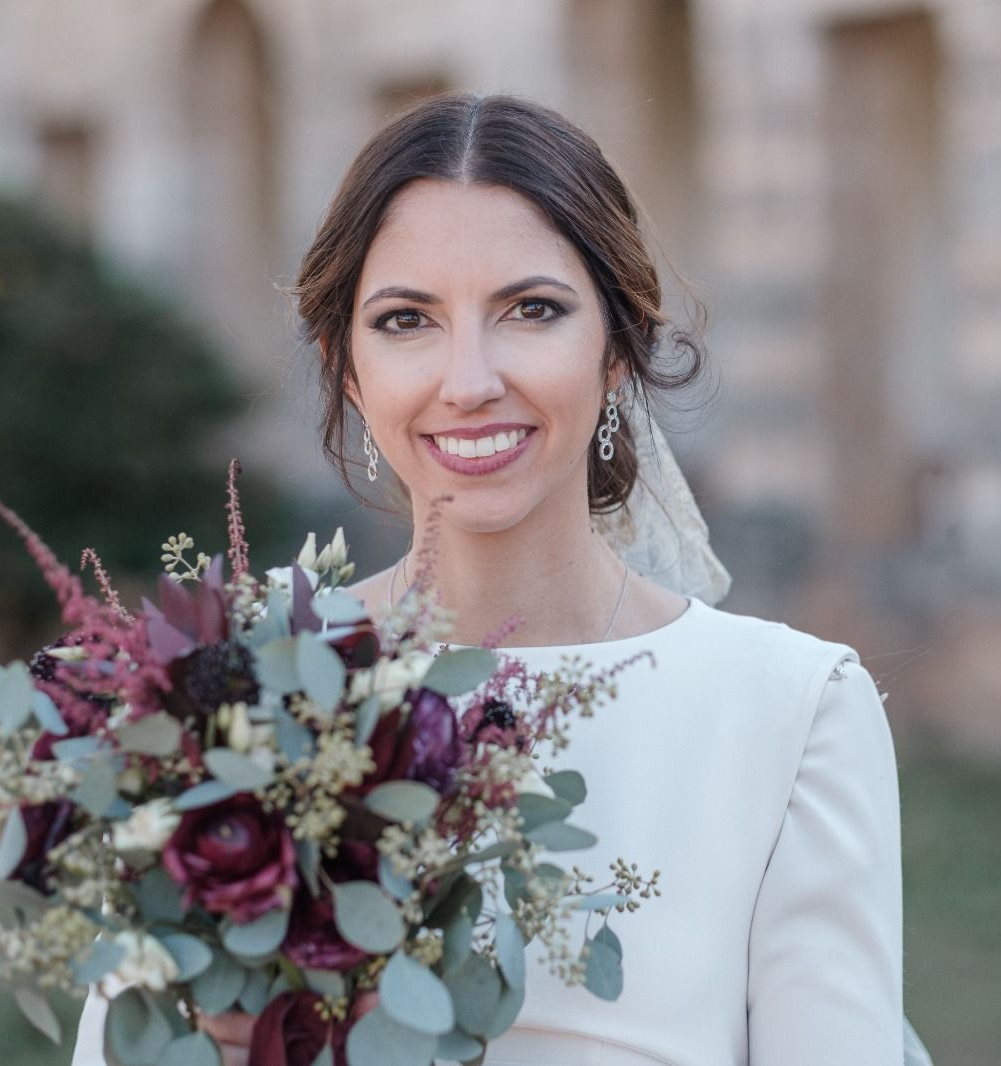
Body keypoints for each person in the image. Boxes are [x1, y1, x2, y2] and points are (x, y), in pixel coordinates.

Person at [73, 92, 931, 1066]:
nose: (469, 378)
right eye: (406, 319)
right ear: (345, 367)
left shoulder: (789, 713)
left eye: (531, 310)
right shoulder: (227, 686)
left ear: (616, 348)